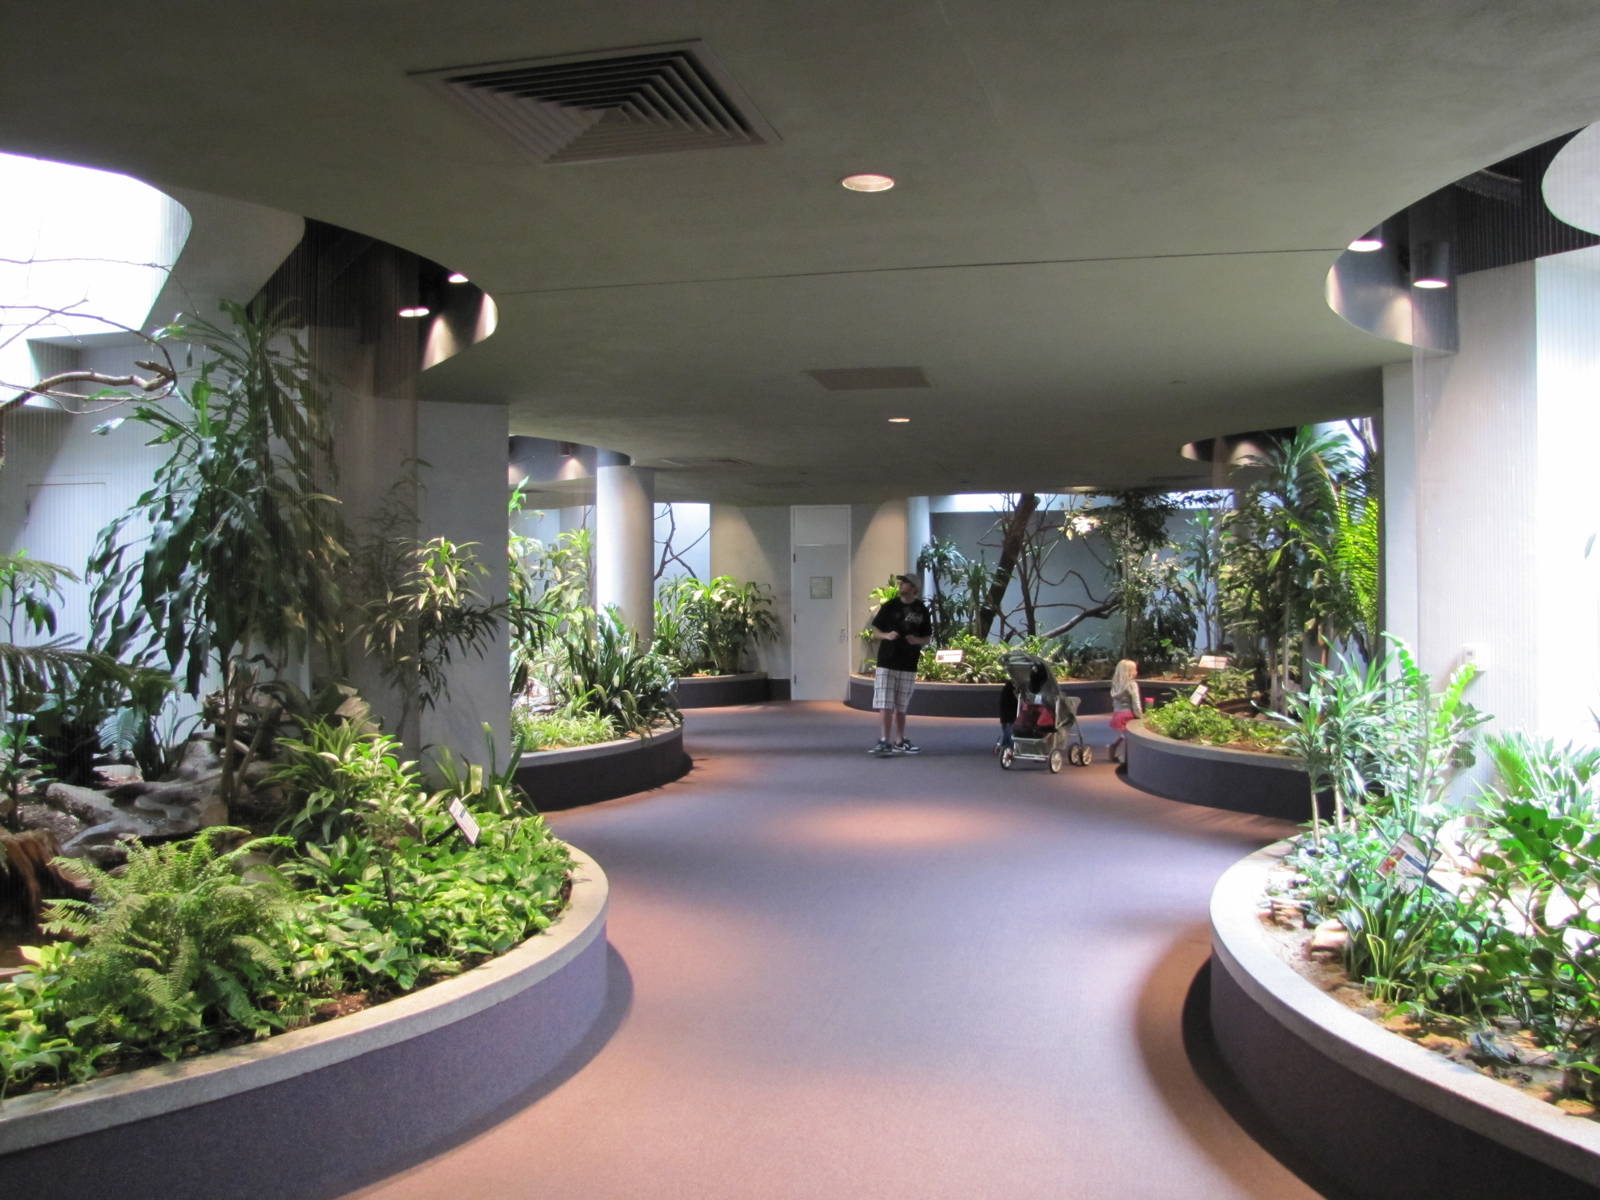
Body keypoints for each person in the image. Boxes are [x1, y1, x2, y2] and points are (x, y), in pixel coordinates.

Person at [868, 573, 932, 755]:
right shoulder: (890, 606)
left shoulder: (921, 609)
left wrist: (916, 640)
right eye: (902, 582)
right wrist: (886, 635)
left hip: (908, 662)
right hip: (887, 661)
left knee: (901, 704)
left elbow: (927, 637)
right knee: (885, 703)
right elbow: (875, 631)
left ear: (914, 588)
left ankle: (900, 740)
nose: (902, 585)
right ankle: (884, 740)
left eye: (906, 583)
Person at [1108, 657, 1142, 764]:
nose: (1137, 672)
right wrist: (1139, 715)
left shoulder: (1116, 684)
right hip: (1128, 714)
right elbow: (1136, 702)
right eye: (1135, 669)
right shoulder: (1132, 685)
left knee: (1124, 735)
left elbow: (1115, 703)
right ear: (1130, 672)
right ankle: (1125, 759)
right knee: (1129, 738)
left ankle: (1113, 746)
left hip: (1117, 714)